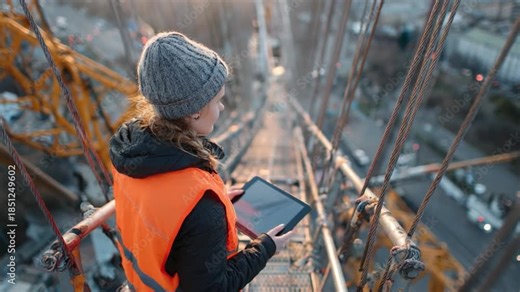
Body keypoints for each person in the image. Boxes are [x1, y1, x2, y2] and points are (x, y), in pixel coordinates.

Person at [109, 31, 293, 291]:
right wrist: (265, 248)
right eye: (218, 101)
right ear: (195, 111)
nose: (223, 109)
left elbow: (164, 217)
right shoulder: (202, 210)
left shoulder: (131, 153)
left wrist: (212, 203)